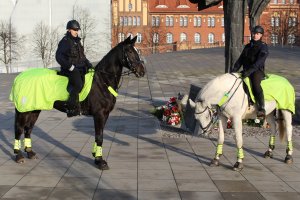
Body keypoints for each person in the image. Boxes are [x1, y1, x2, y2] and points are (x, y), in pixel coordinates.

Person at [56, 20, 93, 117]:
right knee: (78, 84)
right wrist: (70, 67)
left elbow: (83, 57)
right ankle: (71, 108)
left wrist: (89, 65)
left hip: (79, 68)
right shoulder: (65, 42)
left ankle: (84, 105)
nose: (76, 32)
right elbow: (59, 56)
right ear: (69, 30)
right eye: (74, 30)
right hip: (69, 70)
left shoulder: (77, 42)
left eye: (77, 30)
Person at [230, 25, 269, 118]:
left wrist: (249, 71)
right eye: (254, 33)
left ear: (261, 35)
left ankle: (261, 108)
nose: (255, 35)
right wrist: (233, 71)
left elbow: (259, 62)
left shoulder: (263, 47)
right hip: (246, 70)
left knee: (255, 84)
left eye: (258, 34)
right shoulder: (248, 46)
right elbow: (240, 60)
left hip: (257, 71)